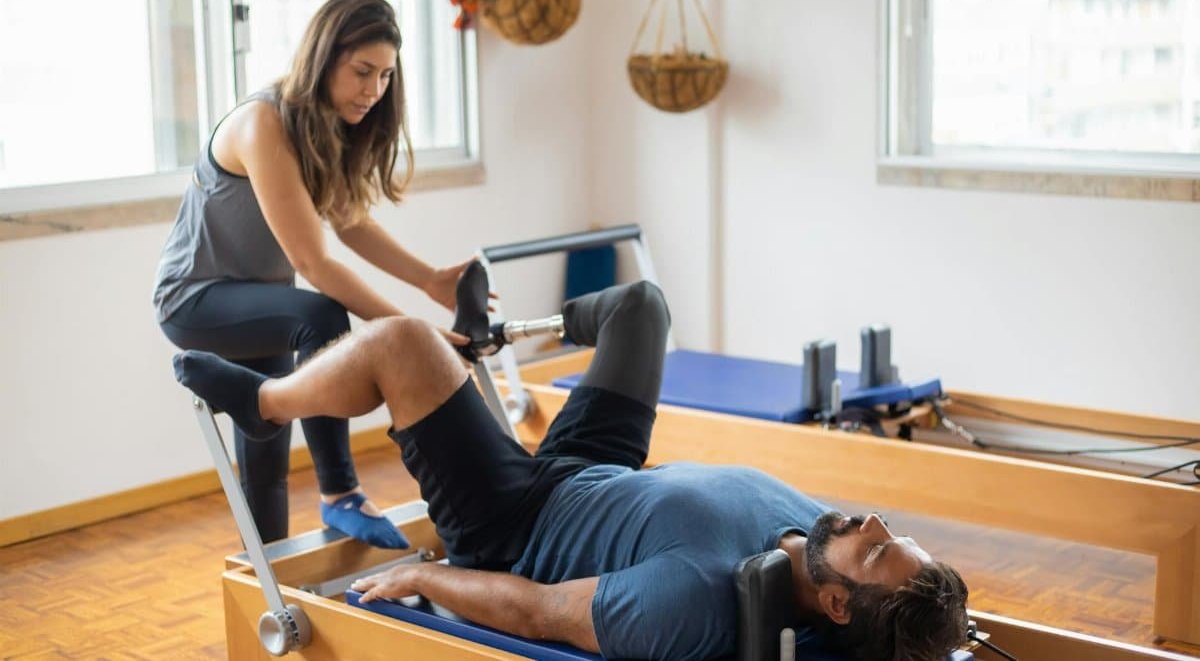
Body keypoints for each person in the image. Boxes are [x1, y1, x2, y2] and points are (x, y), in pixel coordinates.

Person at [172, 280, 969, 661]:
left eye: (873, 549)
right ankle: (498, 332)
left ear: (834, 600)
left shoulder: (690, 600)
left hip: (516, 520)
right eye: (889, 533)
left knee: (400, 343)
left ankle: (264, 404)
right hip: (600, 474)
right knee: (642, 309)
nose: (869, 523)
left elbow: (542, 611)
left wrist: (428, 577)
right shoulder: (826, 540)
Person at [153, 0, 474, 549]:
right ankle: (340, 493)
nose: (374, 91)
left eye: (386, 76)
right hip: (195, 299)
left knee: (265, 449)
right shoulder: (263, 123)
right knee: (321, 315)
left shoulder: (324, 127)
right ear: (324, 58)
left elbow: (350, 225)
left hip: (261, 302)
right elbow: (314, 262)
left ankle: (268, 581)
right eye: (362, 72)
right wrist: (414, 334)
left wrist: (430, 280)